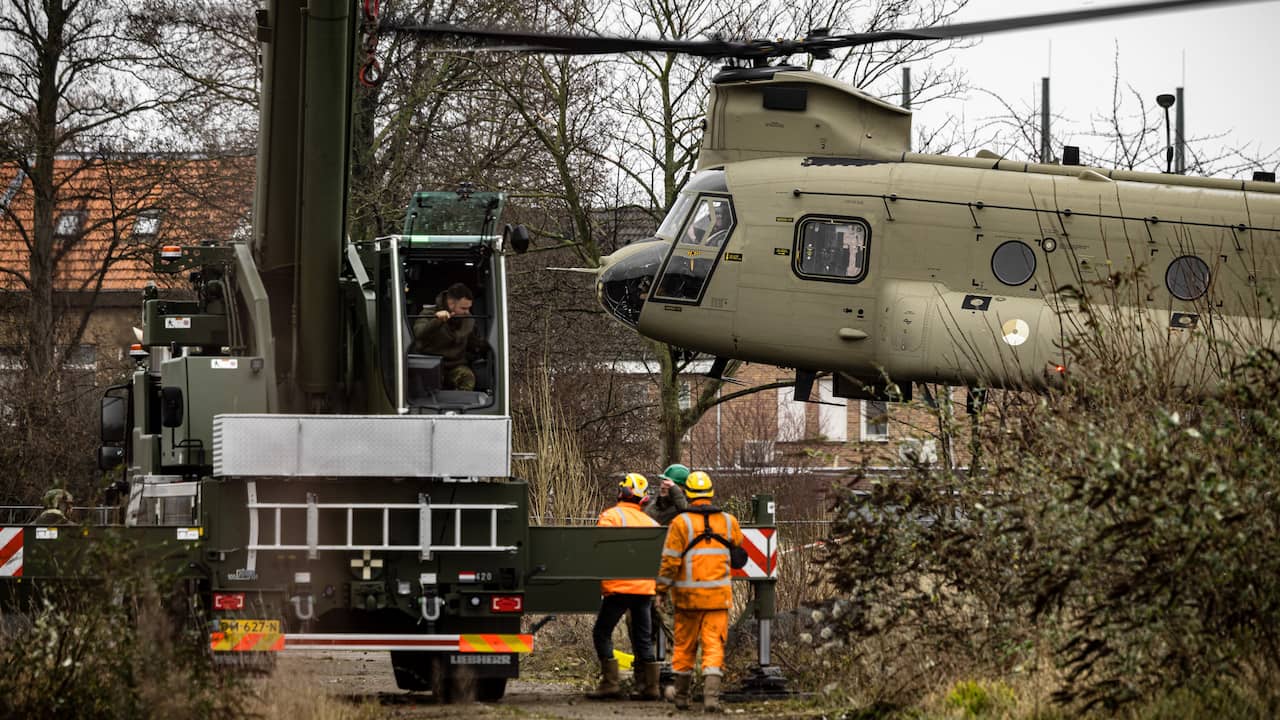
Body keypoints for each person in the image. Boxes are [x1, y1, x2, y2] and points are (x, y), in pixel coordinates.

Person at [655, 471, 743, 712]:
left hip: (687, 600)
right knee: (714, 646)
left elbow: (670, 562)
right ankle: (711, 700)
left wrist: (661, 590)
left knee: (685, 647)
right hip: (718, 598)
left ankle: (682, 697)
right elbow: (739, 554)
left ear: (688, 494)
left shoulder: (680, 524)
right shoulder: (728, 521)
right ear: (711, 493)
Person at [587, 473, 662, 701]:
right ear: (642, 499)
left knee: (602, 633)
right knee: (643, 639)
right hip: (644, 591)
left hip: (618, 589)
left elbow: (598, 547)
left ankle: (610, 683)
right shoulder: (652, 523)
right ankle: (650, 687)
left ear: (623, 492)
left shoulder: (610, 516)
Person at [412, 283, 488, 391]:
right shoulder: (429, 313)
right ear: (451, 303)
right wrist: (437, 321)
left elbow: (474, 343)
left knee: (467, 377)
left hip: (455, 365)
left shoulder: (468, 319)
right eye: (463, 308)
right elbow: (419, 333)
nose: (467, 312)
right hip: (431, 364)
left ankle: (462, 406)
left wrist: (488, 346)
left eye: (469, 308)